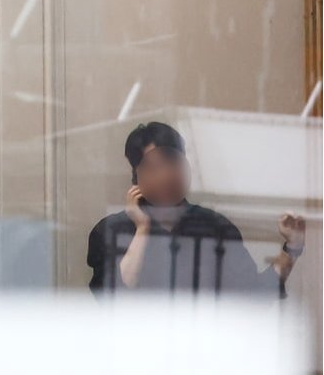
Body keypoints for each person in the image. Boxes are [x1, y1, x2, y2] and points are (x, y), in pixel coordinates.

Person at [86, 121, 306, 296]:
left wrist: (292, 247)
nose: (165, 176)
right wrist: (142, 228)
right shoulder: (111, 230)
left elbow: (253, 294)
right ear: (136, 177)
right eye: (154, 167)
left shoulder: (215, 226)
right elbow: (115, 300)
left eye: (173, 164)